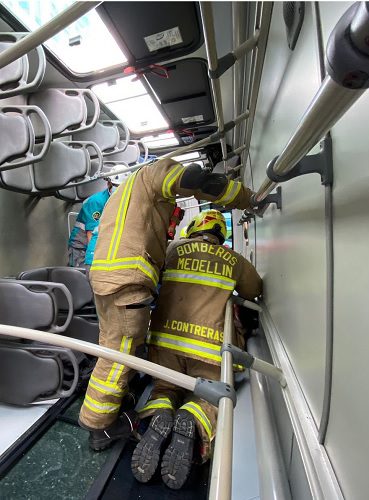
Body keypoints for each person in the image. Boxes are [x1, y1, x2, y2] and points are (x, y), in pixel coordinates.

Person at [79, 157, 257, 451]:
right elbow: (195, 180)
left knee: (112, 345)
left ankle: (118, 405)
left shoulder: (125, 191)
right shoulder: (154, 174)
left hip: (104, 276)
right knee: (119, 355)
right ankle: (101, 426)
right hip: (128, 280)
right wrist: (245, 198)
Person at [130, 210, 262, 489]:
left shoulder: (172, 249)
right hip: (209, 351)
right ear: (220, 234)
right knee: (208, 398)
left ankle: (159, 412)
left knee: (164, 389)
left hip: (165, 346)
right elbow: (254, 289)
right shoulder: (234, 259)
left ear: (192, 228)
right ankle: (192, 416)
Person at [67, 170, 130, 267]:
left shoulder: (123, 201)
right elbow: (91, 235)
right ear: (109, 183)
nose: (119, 189)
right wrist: (94, 259)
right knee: (84, 277)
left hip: (102, 245)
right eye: (116, 186)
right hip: (81, 248)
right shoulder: (96, 202)